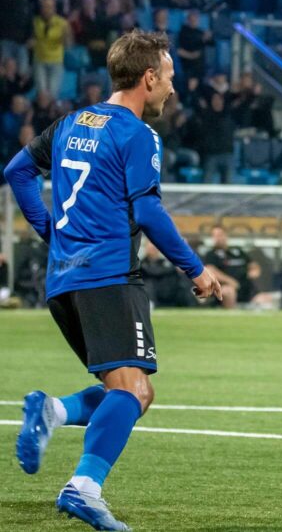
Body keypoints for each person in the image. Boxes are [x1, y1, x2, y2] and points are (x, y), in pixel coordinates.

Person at [4, 30, 221, 531]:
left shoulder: (71, 123)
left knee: (137, 392)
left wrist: (51, 232)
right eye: (169, 77)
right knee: (131, 390)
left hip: (64, 282)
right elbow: (149, 212)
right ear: (148, 78)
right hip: (109, 277)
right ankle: (83, 487)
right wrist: (195, 268)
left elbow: (17, 171)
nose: (173, 88)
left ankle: (54, 412)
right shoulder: (138, 134)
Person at [204, 225, 265, 309]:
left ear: (226, 235)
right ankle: (232, 313)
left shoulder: (238, 251)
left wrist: (253, 272)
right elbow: (210, 270)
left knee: (265, 299)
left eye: (220, 235)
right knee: (228, 292)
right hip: (225, 287)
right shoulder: (211, 254)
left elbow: (253, 265)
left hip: (246, 287)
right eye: (215, 236)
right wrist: (230, 281)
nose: (218, 238)